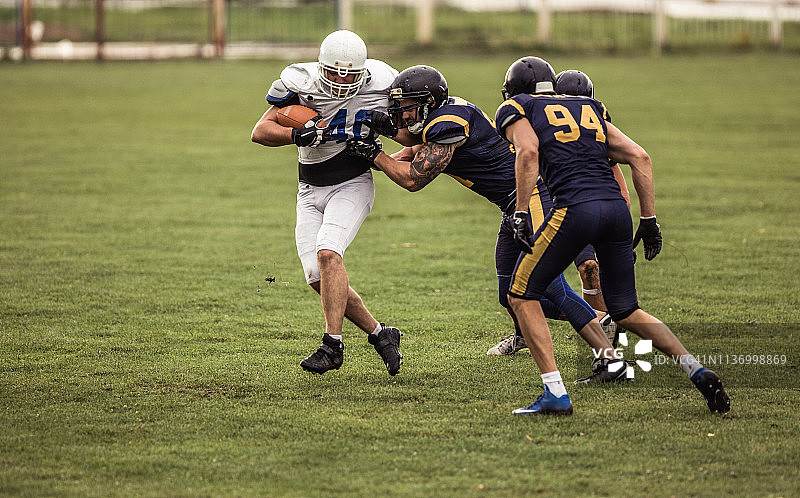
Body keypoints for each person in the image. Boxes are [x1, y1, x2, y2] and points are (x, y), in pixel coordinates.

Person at [345, 65, 626, 382]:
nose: (403, 115)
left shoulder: (448, 124)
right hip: (513, 206)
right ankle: (593, 321)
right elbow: (411, 148)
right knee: (508, 293)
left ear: (428, 102)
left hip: (534, 199)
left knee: (550, 286)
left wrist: (375, 156)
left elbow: (413, 179)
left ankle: (608, 355)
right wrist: (376, 150)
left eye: (408, 107)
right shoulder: (443, 115)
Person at [494, 56, 730, 414]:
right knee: (627, 310)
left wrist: (523, 212)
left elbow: (528, 150)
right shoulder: (590, 106)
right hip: (617, 213)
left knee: (520, 294)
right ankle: (696, 371)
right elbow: (640, 156)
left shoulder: (517, 107)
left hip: (573, 210)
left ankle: (555, 394)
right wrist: (649, 220)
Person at [250, 30, 403, 376]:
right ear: (321, 67)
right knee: (318, 277)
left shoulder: (383, 83)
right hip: (309, 190)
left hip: (352, 182)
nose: (341, 80)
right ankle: (382, 335)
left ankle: (332, 345)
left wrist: (390, 127)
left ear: (363, 72)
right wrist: (295, 134)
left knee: (329, 253)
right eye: (334, 72)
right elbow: (259, 131)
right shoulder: (301, 82)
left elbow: (411, 132)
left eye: (349, 74)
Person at [486, 68, 631, 357]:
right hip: (540, 209)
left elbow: (623, 181)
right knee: (511, 292)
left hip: (577, 209)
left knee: (580, 272)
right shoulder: (534, 124)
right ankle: (588, 326)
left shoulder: (585, 133)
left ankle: (603, 335)